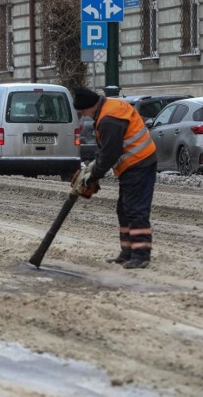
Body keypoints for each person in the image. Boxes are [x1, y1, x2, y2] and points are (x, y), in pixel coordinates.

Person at [71, 87, 157, 269]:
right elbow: (105, 149)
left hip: (139, 163)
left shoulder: (108, 119)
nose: (84, 116)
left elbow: (110, 153)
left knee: (135, 209)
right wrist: (93, 168)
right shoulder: (109, 107)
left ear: (90, 106)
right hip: (136, 163)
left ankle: (141, 255)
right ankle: (127, 252)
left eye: (83, 112)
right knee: (124, 209)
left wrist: (93, 176)